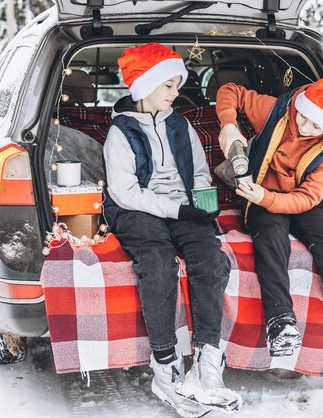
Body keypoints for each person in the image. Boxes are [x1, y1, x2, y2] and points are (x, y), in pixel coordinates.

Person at [103, 42, 242, 417]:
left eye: (177, 85)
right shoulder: (121, 132)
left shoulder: (180, 124)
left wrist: (201, 206)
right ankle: (164, 364)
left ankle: (207, 361)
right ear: (145, 86)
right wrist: (174, 207)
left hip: (182, 206)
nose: (176, 93)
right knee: (158, 262)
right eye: (169, 86)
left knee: (211, 260)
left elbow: (198, 172)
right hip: (135, 208)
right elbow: (125, 190)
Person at [215, 72, 323, 374]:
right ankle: (281, 321)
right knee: (271, 236)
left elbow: (308, 197)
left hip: (301, 201)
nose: (304, 126)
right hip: (261, 197)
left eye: (316, 125)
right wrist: (229, 126)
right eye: (305, 116)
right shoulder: (277, 112)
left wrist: (268, 198)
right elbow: (230, 91)